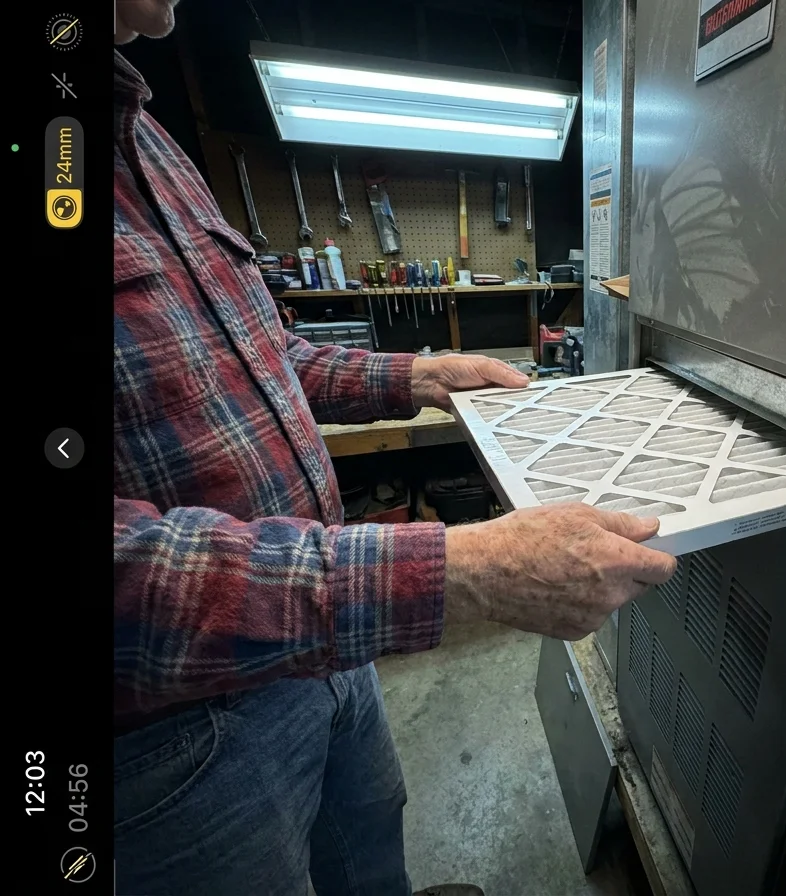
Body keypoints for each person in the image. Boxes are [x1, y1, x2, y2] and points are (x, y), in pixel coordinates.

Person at [113, 3, 676, 894]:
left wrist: (413, 375)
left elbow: (265, 353)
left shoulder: (139, 132)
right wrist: (458, 571)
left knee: (369, 851)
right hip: (175, 734)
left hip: (328, 648)